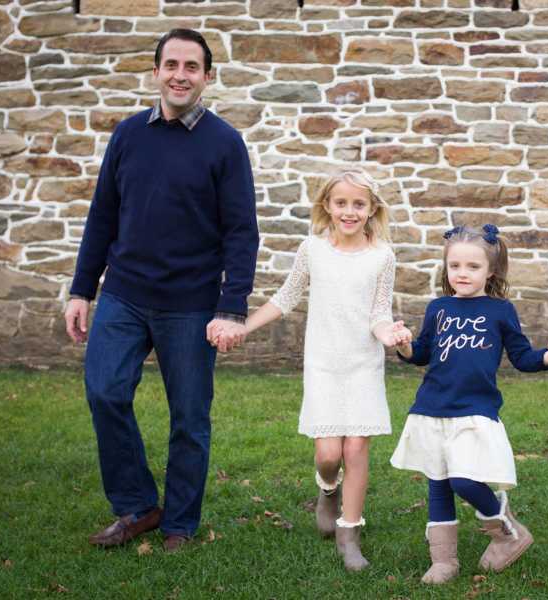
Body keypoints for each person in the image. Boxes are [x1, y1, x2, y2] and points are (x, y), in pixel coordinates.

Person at [64, 28, 259, 553]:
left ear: (206, 77)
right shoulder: (128, 135)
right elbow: (103, 214)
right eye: (170, 64)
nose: (179, 75)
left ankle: (179, 523)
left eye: (191, 66)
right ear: (156, 72)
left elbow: (241, 231)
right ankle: (137, 506)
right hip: (124, 296)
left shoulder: (224, 143)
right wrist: (82, 289)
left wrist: (232, 307)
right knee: (105, 392)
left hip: (191, 306)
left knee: (189, 419)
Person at [210, 169, 404, 571]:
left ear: (371, 210)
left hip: (363, 364)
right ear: (327, 207)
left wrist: (389, 334)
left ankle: (350, 533)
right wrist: (243, 326)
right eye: (341, 203)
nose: (349, 211)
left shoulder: (382, 256)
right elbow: (286, 296)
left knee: (356, 448)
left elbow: (380, 312)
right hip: (324, 365)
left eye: (358, 204)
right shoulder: (312, 249)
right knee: (329, 453)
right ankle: (327, 489)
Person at [389, 224, 548, 585]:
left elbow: (521, 356)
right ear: (446, 269)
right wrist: (405, 346)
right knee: (438, 482)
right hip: (431, 408)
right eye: (454, 266)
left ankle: (506, 531)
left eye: (472, 267)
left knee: (463, 480)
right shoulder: (439, 307)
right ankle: (443, 561)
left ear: (491, 270)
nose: (462, 273)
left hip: (474, 411)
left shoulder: (500, 311)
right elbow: (422, 353)